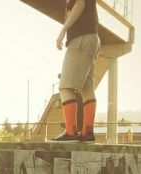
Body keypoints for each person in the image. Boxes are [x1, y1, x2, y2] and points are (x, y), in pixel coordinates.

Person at [52, 0, 100, 143]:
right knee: (87, 88)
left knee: (65, 87)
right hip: (91, 38)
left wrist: (62, 31)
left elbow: (80, 4)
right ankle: (87, 132)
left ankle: (71, 132)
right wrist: (96, 42)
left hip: (80, 39)